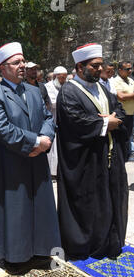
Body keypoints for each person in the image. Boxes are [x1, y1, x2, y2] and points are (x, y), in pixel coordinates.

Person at [0, 42, 61, 275]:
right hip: (11, 163)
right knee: (16, 209)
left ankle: (40, 251)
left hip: (36, 161)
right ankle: (16, 257)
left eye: (23, 61)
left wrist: (45, 138)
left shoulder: (34, 90)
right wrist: (36, 142)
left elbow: (48, 117)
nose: (22, 65)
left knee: (40, 206)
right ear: (2, 68)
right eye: (16, 62)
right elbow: (3, 129)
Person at [56, 43, 129, 260]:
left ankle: (108, 241)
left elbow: (119, 110)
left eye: (100, 65)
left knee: (109, 200)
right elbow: (75, 121)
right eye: (94, 66)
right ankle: (84, 245)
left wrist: (111, 120)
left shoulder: (102, 89)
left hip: (107, 156)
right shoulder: (69, 92)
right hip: (85, 161)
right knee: (88, 204)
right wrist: (106, 123)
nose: (100, 70)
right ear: (80, 67)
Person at [44, 66, 68, 178]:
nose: (63, 80)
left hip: (65, 120)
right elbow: (52, 103)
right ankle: (53, 172)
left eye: (65, 77)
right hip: (53, 118)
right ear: (55, 77)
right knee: (53, 148)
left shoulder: (67, 85)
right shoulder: (48, 87)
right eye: (61, 77)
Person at [112, 61, 134, 161]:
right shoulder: (115, 81)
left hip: (131, 114)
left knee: (128, 137)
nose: (130, 71)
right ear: (120, 70)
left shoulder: (131, 80)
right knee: (121, 138)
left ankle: (126, 156)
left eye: (131, 68)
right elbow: (121, 96)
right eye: (127, 69)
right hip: (122, 115)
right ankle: (120, 158)